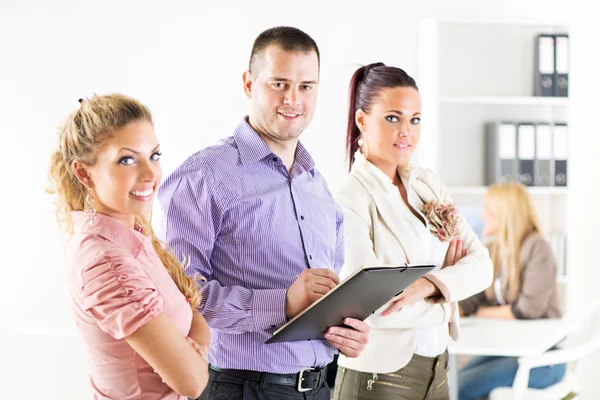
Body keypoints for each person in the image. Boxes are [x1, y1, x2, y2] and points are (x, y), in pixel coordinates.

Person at [157, 26, 370, 400]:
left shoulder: (317, 186)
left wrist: (345, 331)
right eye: (279, 84)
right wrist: (282, 303)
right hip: (242, 387)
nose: (293, 99)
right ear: (248, 83)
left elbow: (323, 296)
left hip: (321, 386)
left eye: (306, 86)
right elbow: (181, 298)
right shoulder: (203, 176)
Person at [332, 62, 493, 400]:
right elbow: (370, 305)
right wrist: (447, 304)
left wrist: (427, 285)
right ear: (362, 120)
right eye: (392, 118)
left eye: (414, 119)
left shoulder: (427, 184)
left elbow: (483, 265)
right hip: (380, 379)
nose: (406, 131)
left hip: (438, 369)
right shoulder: (351, 197)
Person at [47, 94, 210, 399]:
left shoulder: (129, 237)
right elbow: (193, 381)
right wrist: (190, 356)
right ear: (84, 173)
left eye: (155, 155)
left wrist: (192, 349)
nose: (150, 174)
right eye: (127, 159)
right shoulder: (104, 261)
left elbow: (196, 319)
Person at [458, 182, 566, 399]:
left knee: (460, 387)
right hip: (509, 351)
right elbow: (471, 301)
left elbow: (527, 310)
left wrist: (481, 313)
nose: (484, 215)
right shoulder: (493, 251)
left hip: (543, 360)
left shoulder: (537, 248)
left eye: (489, 210)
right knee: (452, 380)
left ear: (505, 214)